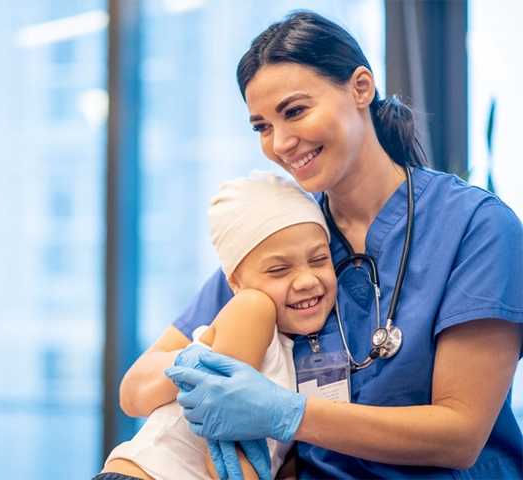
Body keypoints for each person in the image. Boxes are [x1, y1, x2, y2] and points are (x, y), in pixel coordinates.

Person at [121, 10, 523, 479]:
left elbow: (459, 434)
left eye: (294, 111)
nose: (281, 143)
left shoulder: (475, 227)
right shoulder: (286, 228)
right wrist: (202, 362)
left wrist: (286, 412)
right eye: (262, 127)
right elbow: (136, 387)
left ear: (360, 88)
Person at [97, 172, 336, 480]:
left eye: (319, 260)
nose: (307, 281)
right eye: (279, 269)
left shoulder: (288, 349)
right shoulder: (252, 310)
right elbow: (223, 446)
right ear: (234, 282)